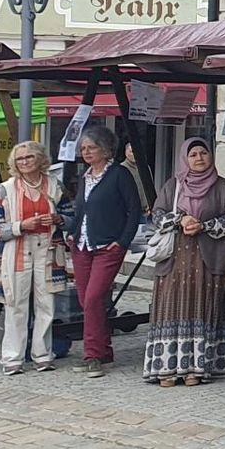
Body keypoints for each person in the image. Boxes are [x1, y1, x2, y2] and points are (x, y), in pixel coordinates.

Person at [143, 138, 225, 388]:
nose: (199, 158)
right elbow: (157, 215)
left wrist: (204, 226)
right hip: (175, 259)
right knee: (171, 305)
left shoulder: (222, 186)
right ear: (185, 159)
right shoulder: (173, 185)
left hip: (207, 258)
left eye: (203, 153)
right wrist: (181, 220)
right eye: (193, 154)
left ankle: (196, 369)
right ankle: (166, 368)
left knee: (202, 306)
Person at [63, 125, 142, 378]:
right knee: (86, 301)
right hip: (82, 245)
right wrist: (72, 233)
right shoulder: (84, 176)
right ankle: (104, 350)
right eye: (83, 148)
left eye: (92, 148)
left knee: (94, 298)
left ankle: (92, 355)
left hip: (107, 246)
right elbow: (81, 211)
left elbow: (134, 210)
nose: (86, 152)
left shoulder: (119, 174)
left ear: (106, 149)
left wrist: (123, 241)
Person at [0, 142, 64, 375]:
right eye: (19, 158)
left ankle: (43, 355)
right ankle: (12, 358)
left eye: (29, 157)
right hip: (17, 248)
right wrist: (20, 225)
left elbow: (70, 214)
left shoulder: (54, 184)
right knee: (15, 303)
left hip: (47, 249)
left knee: (46, 303)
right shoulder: (6, 188)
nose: (24, 162)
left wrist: (58, 219)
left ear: (40, 158)